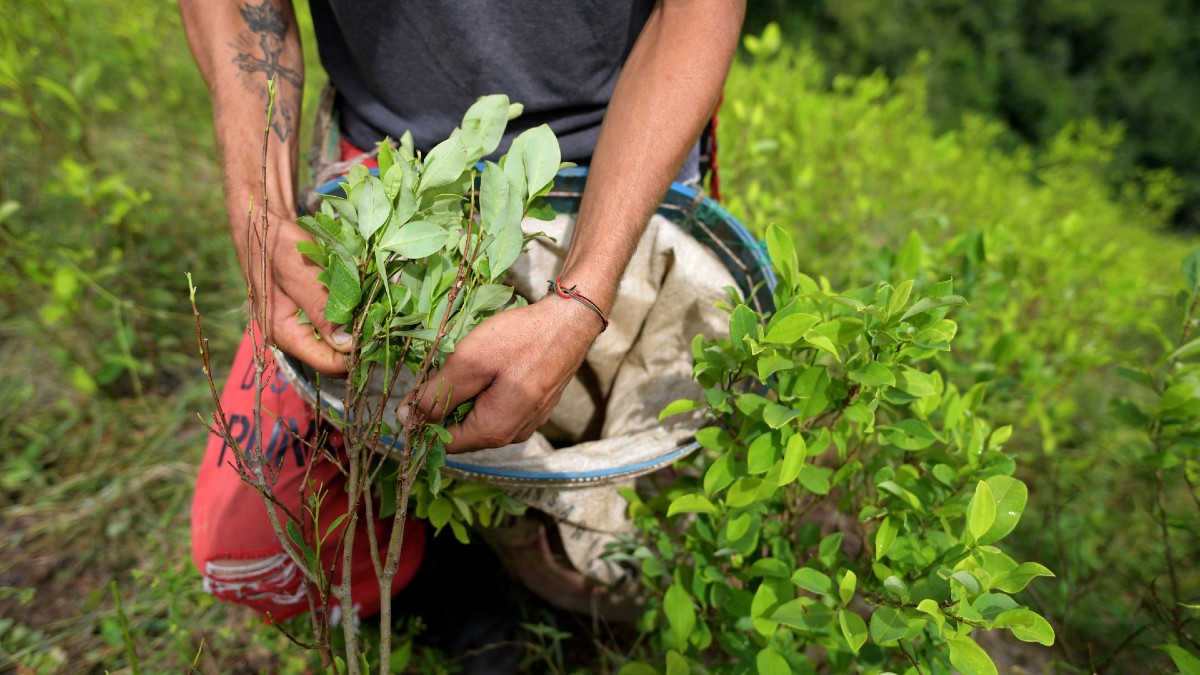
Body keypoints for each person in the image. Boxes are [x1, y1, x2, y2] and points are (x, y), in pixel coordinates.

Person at [181, 0, 745, 632]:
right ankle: (460, 600)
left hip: (624, 159)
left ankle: (552, 567)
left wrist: (581, 298)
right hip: (387, 174)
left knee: (642, 500)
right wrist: (262, 212)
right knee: (255, 544)